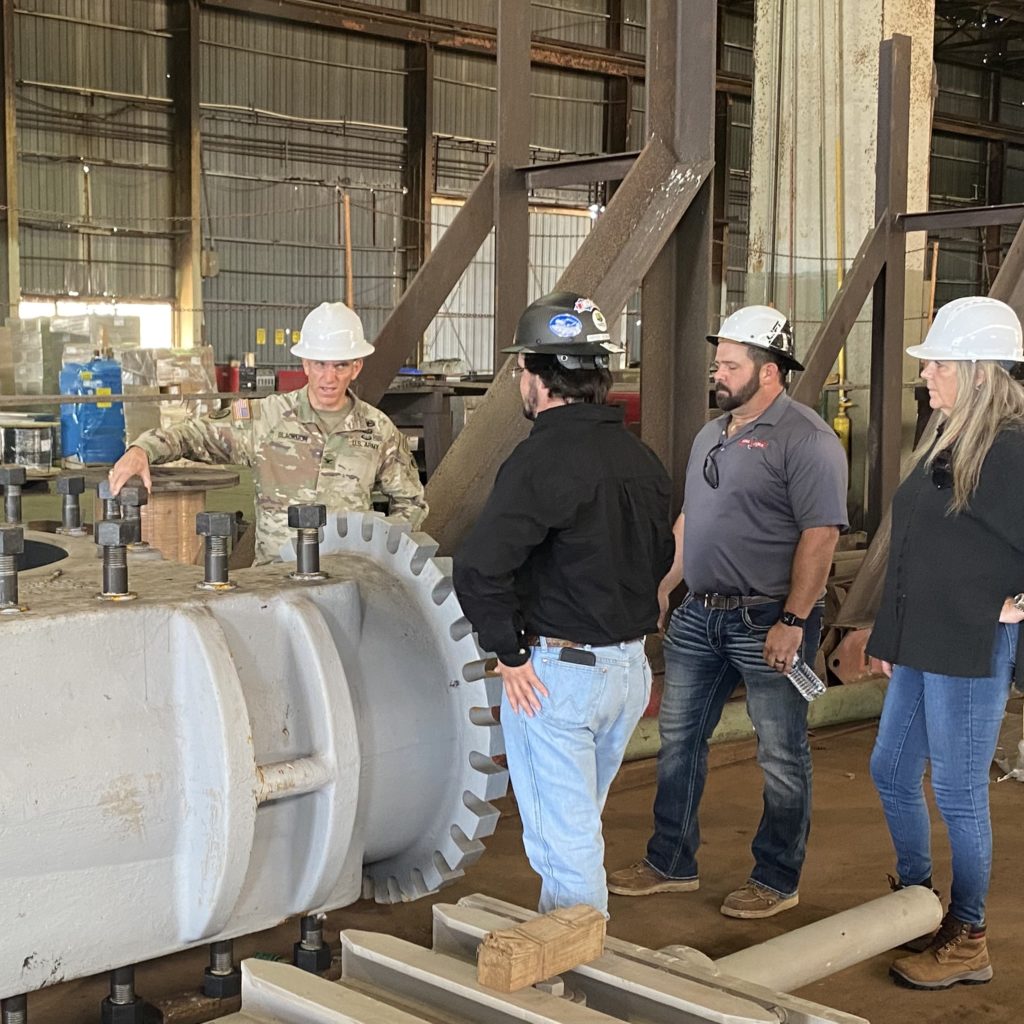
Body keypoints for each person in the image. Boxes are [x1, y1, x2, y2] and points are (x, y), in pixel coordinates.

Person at [608, 304, 848, 919]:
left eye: (730, 364)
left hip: (768, 619)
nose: (717, 373)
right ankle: (670, 862)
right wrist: (666, 586)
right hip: (699, 616)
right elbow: (693, 520)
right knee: (679, 740)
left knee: (780, 752)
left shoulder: (808, 439)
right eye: (718, 362)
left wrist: (794, 622)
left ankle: (776, 876)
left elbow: (821, 535)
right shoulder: (710, 435)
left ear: (769, 372)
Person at [452, 291, 674, 916]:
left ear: (537, 376)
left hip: (556, 680)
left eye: (522, 368)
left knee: (564, 843)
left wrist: (510, 654)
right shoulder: (642, 459)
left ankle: (579, 980)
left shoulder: (540, 460)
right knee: (577, 826)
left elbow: (479, 566)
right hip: (628, 674)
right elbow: (658, 560)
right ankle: (578, 961)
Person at [867, 295, 1024, 990]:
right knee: (891, 772)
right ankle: (916, 901)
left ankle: (968, 933)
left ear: (982, 371)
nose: (925, 373)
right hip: (923, 641)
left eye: (938, 362)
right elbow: (921, 546)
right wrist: (888, 633)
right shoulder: (947, 437)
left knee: (959, 793)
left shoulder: (1013, 448)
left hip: (969, 646)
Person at [108, 301, 426, 564]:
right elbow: (196, 434)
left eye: (340, 366)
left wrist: (383, 557)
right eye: (319, 364)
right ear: (304, 363)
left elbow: (411, 502)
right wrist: (142, 450)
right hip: (275, 583)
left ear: (356, 367)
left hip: (349, 582)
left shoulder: (378, 431)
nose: (329, 377)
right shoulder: (267, 419)